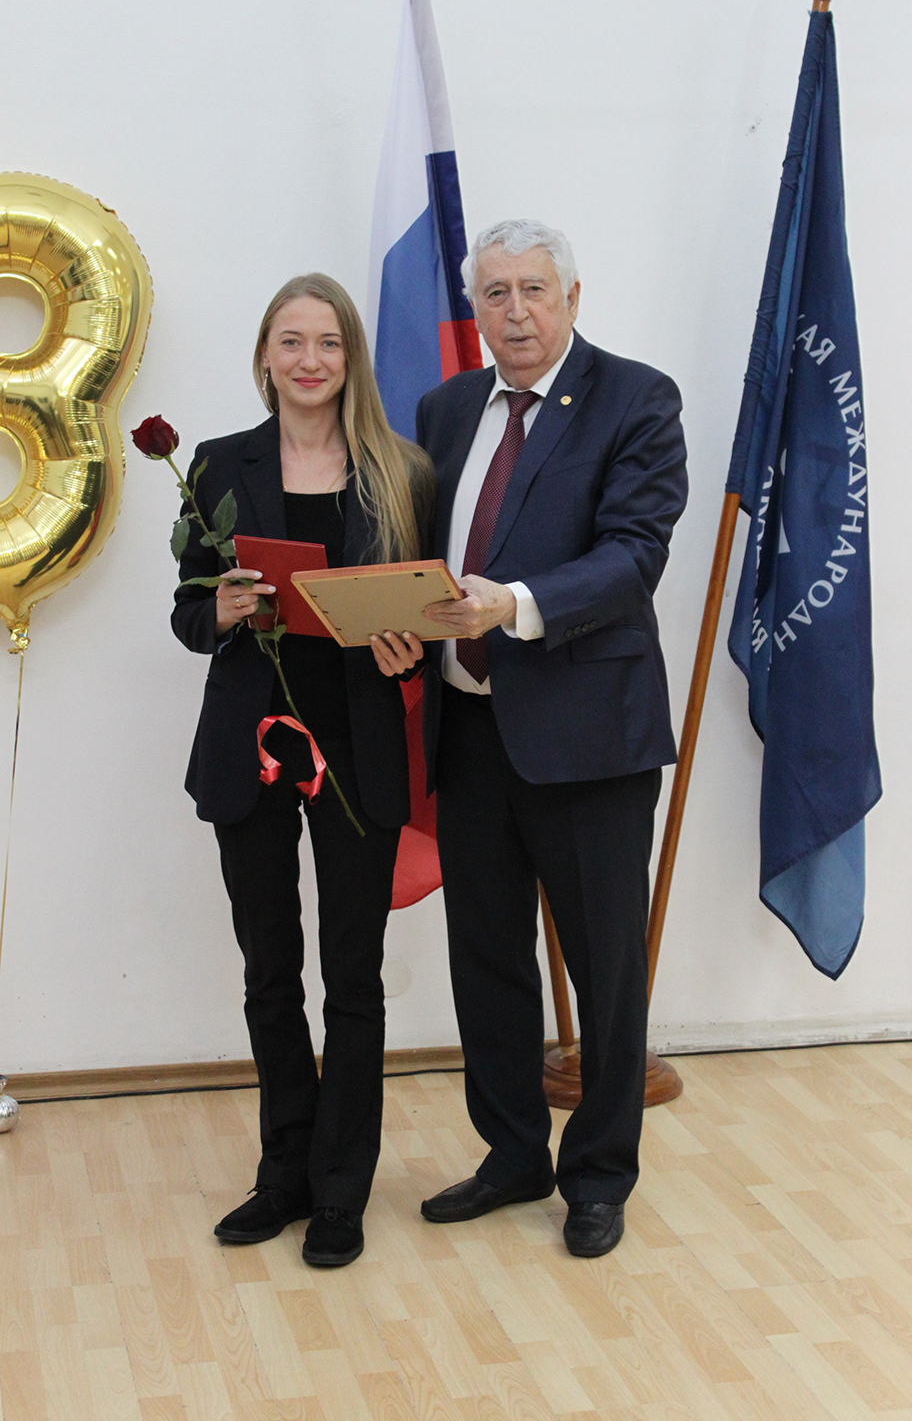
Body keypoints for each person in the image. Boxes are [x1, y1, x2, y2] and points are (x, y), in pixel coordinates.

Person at [385, 219, 689, 1257]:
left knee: (606, 970)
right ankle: (512, 1154)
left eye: (533, 290)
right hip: (469, 729)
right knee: (487, 958)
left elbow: (633, 555)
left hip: (590, 738)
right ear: (474, 306)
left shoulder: (635, 399)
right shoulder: (446, 407)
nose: (514, 312)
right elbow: (423, 553)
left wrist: (510, 604)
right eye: (495, 293)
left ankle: (598, 1175)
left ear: (572, 298)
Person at [172, 273, 433, 1267]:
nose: (310, 360)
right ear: (266, 356)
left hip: (358, 750)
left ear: (350, 356)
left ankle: (340, 1187)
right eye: (292, 342)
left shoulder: (402, 471)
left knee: (353, 977)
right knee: (270, 973)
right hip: (252, 747)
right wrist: (222, 610)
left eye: (328, 342)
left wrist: (408, 651)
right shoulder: (216, 465)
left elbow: (424, 611)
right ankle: (282, 1174)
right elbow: (188, 613)